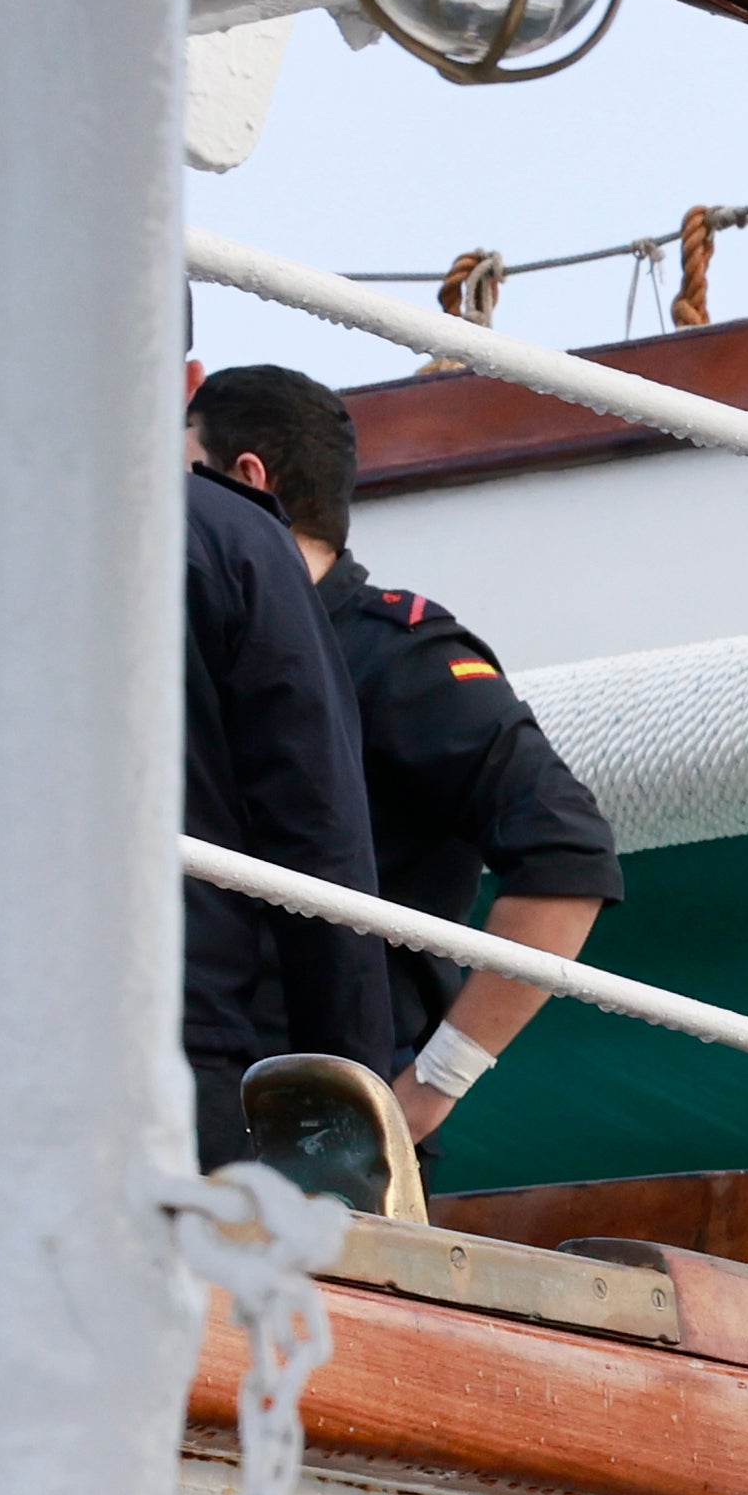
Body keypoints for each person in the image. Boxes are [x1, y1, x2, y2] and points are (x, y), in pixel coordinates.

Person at [0, 399, 412, 1168]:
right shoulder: (236, 539)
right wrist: (345, 1105)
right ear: (181, 375)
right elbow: (319, 836)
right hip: (174, 1058)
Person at [182, 364, 628, 1144]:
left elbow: (566, 854)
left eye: (181, 477)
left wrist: (420, 1095)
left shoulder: (399, 660)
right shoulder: (195, 652)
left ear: (248, 478)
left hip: (314, 1146)